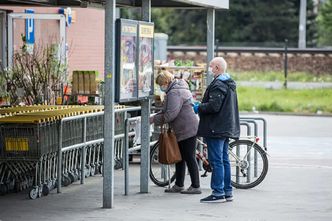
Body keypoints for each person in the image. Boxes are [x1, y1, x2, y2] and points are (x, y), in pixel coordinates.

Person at [193, 57, 240, 203]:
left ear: (218, 68)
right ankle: (227, 191)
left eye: (211, 66)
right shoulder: (229, 83)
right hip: (224, 126)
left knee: (217, 161)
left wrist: (198, 107)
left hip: (216, 128)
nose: (209, 68)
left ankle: (218, 192)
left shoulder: (218, 84)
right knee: (224, 160)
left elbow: (214, 106)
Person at [150, 71, 201, 194]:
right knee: (181, 157)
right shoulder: (179, 87)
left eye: (161, 84)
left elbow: (170, 114)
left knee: (189, 157)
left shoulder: (174, 93)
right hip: (185, 127)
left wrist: (152, 120)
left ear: (166, 82)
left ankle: (195, 186)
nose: (161, 88)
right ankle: (179, 184)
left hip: (186, 128)